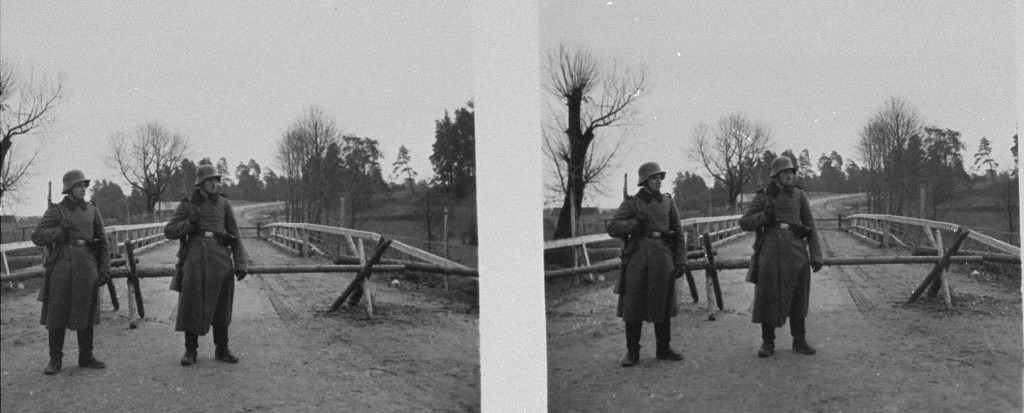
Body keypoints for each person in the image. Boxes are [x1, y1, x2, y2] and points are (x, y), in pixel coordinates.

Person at [739, 156, 823, 358]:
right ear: (775, 176)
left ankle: (799, 340)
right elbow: (744, 222)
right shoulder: (764, 196)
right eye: (784, 172)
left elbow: (810, 226)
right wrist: (764, 217)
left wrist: (816, 255)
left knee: (798, 297)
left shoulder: (800, 196)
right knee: (768, 296)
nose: (789, 175)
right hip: (770, 253)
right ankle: (767, 343)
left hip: (796, 253)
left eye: (792, 172)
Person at [164, 163, 248, 366]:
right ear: (201, 183)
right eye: (210, 180)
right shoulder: (188, 204)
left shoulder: (224, 204)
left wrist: (240, 263)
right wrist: (189, 224)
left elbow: (235, 234)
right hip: (195, 260)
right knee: (192, 304)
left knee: (222, 306)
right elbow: (169, 231)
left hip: (220, 259)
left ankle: (222, 349)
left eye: (216, 180)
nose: (214, 184)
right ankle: (190, 351)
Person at [606, 162, 687, 367]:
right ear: (644, 181)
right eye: (653, 178)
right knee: (633, 306)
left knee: (664, 303)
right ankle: (632, 352)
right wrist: (635, 225)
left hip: (662, 257)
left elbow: (678, 233)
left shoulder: (668, 203)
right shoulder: (633, 203)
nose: (658, 181)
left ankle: (663, 348)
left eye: (660, 177)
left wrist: (680, 260)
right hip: (638, 259)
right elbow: (613, 227)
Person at [32, 170, 110, 375]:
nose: (83, 188)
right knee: (56, 313)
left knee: (86, 311)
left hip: (86, 265)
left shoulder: (92, 210)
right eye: (78, 185)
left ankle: (86, 356)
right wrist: (59, 233)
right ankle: (55, 360)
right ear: (69, 189)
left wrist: (104, 269)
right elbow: (37, 235)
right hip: (62, 267)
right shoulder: (57, 211)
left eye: (84, 185)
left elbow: (102, 241)